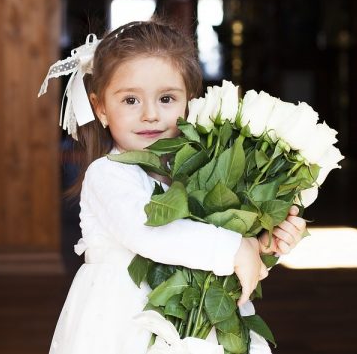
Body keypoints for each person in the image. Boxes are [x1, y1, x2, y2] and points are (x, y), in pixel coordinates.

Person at [38, 20, 307, 354]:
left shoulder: (202, 171)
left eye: (166, 98)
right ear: (101, 108)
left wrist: (263, 242)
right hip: (125, 327)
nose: (151, 114)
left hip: (199, 326)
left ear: (189, 103)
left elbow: (223, 247)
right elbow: (147, 232)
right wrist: (234, 248)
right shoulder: (107, 174)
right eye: (130, 101)